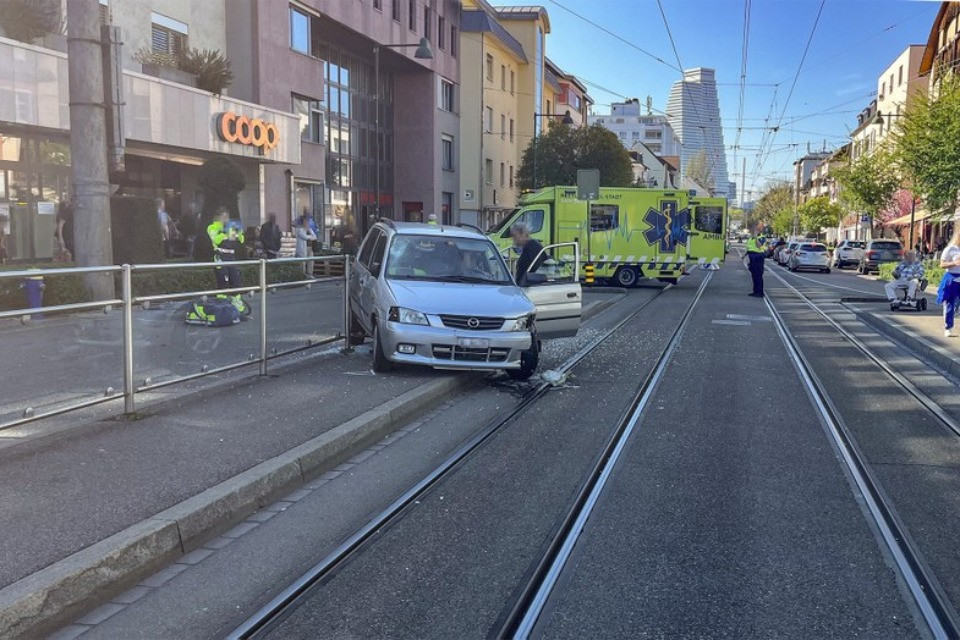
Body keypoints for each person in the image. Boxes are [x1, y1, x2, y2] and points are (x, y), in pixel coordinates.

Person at [207, 208, 244, 292]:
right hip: (220, 257)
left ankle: (236, 301)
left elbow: (241, 240)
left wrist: (238, 233)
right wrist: (226, 233)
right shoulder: (212, 227)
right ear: (218, 217)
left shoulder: (231, 226)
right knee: (223, 282)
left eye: (227, 216)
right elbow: (216, 240)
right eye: (224, 216)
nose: (226, 219)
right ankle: (222, 302)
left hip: (231, 257)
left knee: (235, 281)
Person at [939, 228, 960, 337]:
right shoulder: (951, 249)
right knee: (949, 303)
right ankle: (948, 326)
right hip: (952, 278)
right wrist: (954, 262)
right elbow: (942, 264)